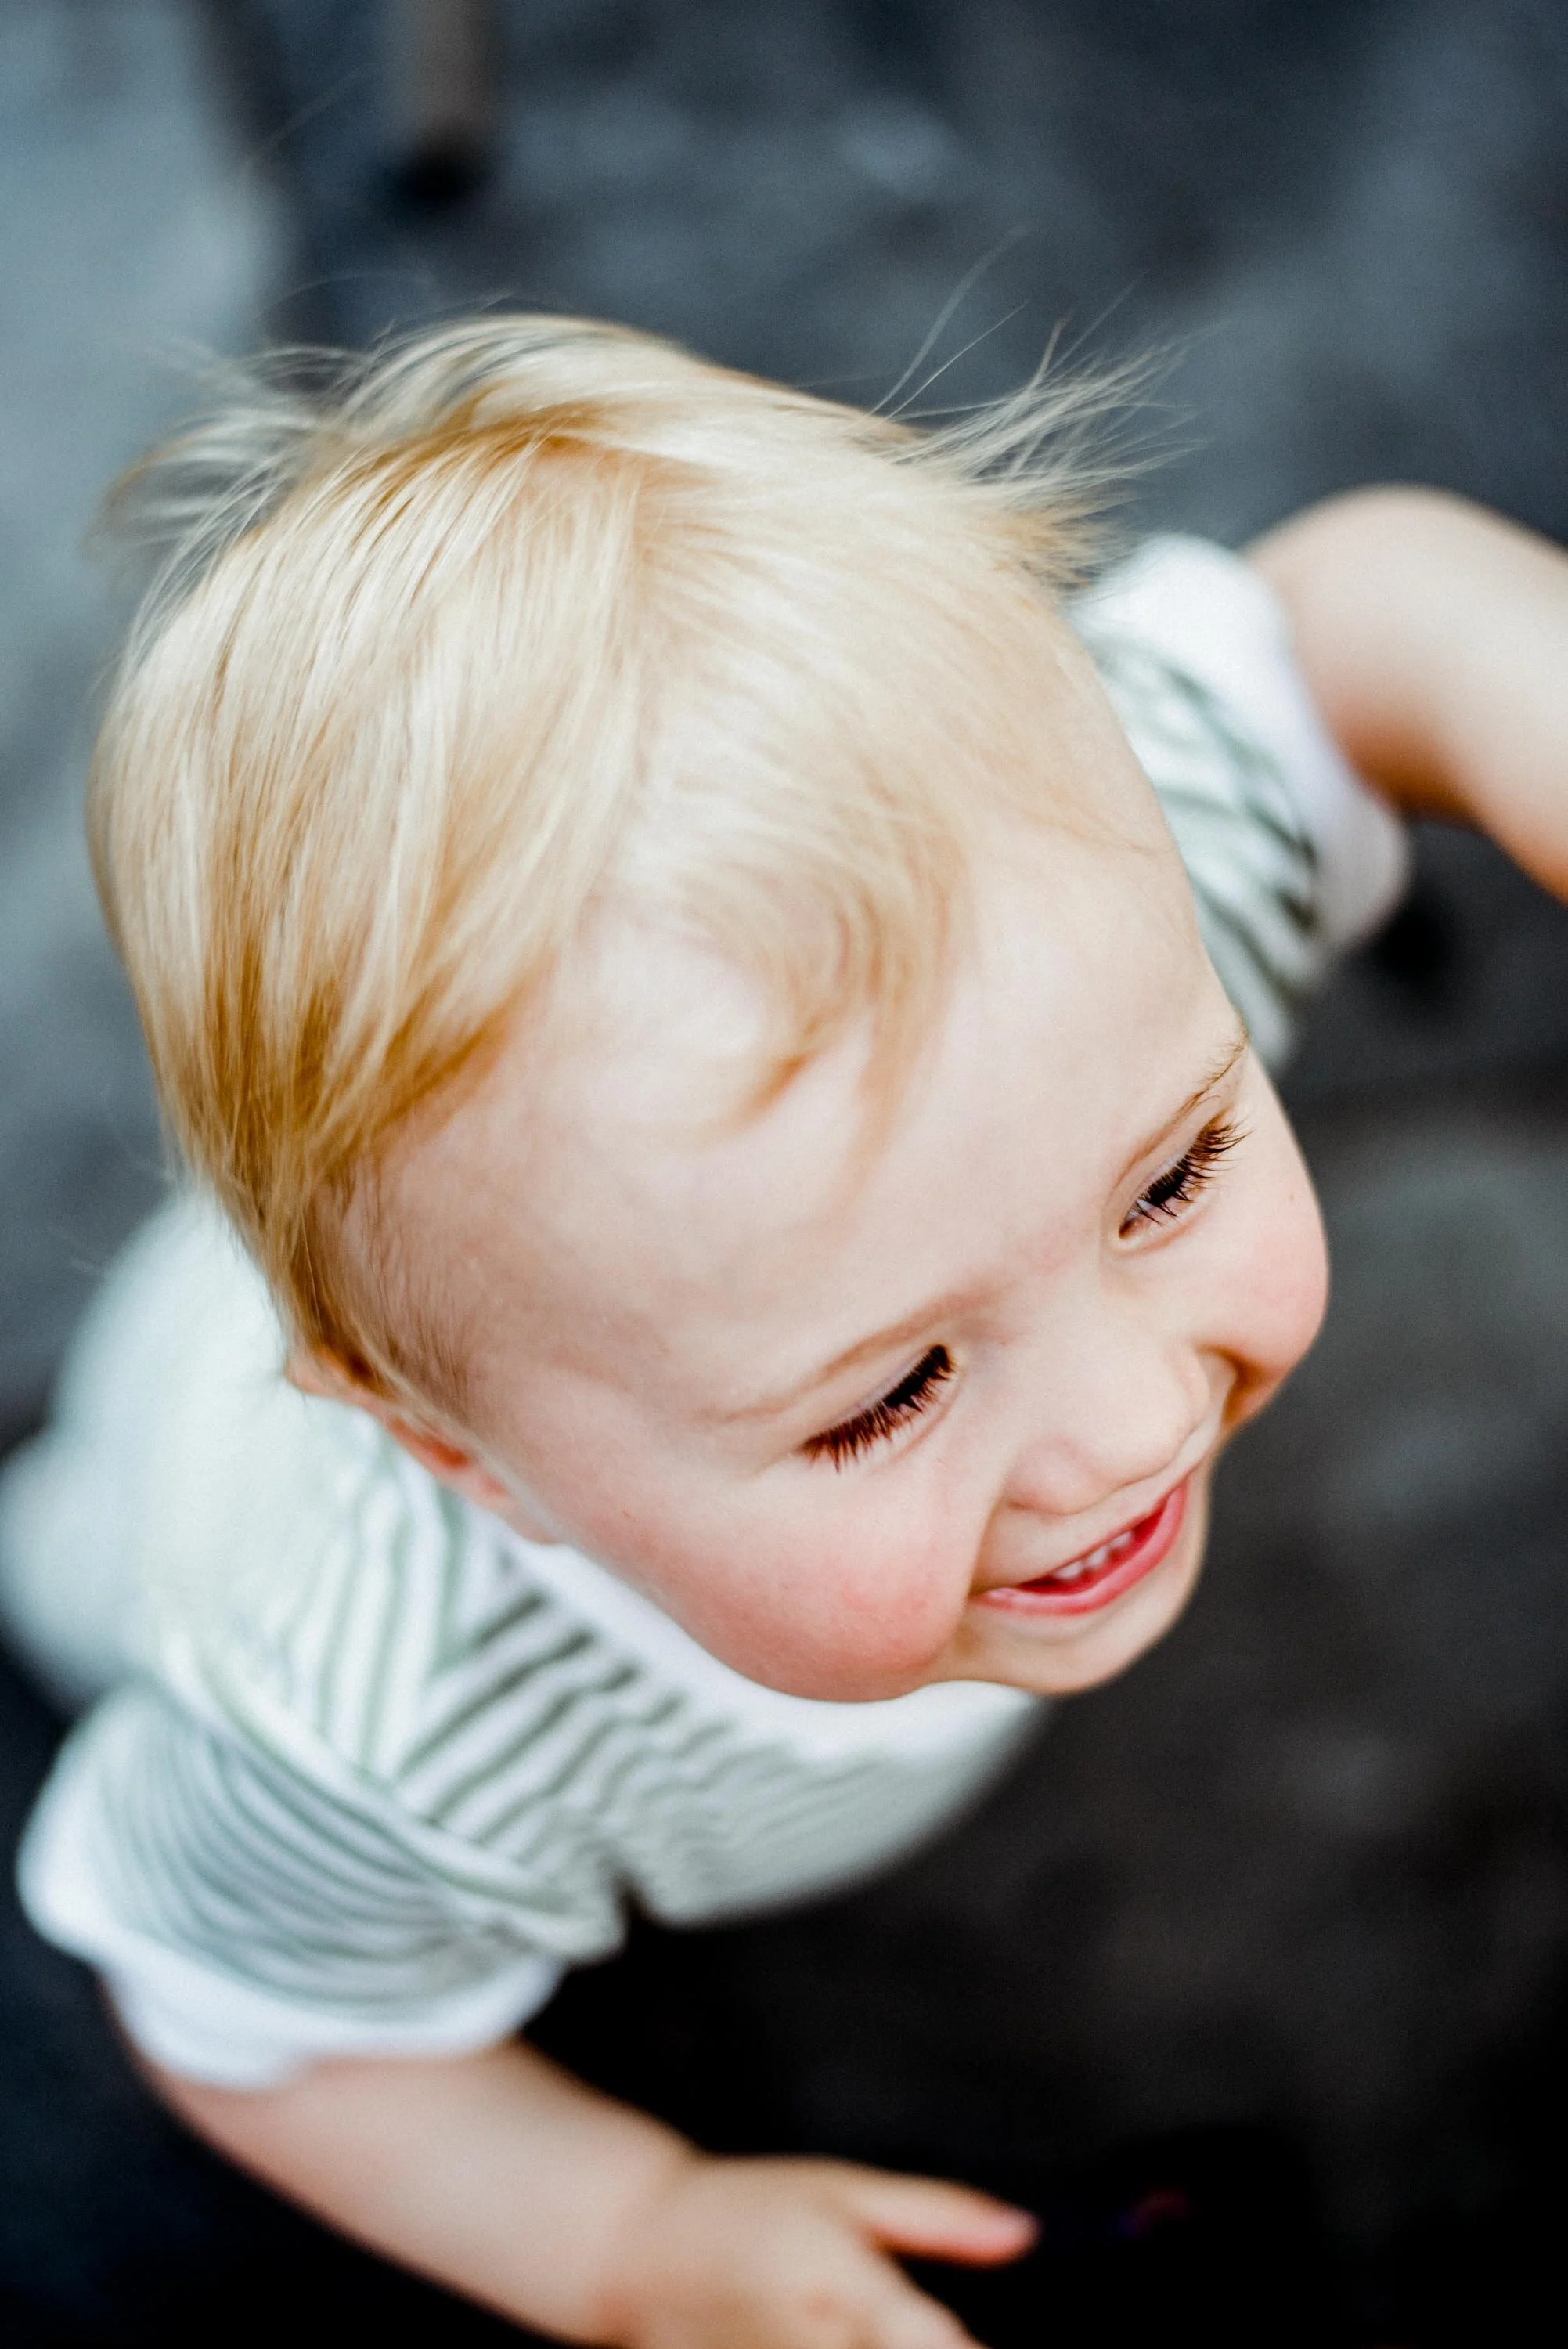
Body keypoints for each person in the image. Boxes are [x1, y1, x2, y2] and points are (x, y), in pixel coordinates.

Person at [3, 313, 1566, 2349]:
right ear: (465, 1453)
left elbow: (1352, 631)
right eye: (893, 1392)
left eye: (1172, 1180)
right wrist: (629, 2237)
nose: (1133, 1423)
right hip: (170, 1512)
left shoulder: (1069, 913)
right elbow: (265, 2024)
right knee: (66, 1560)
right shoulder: (366, 1744)